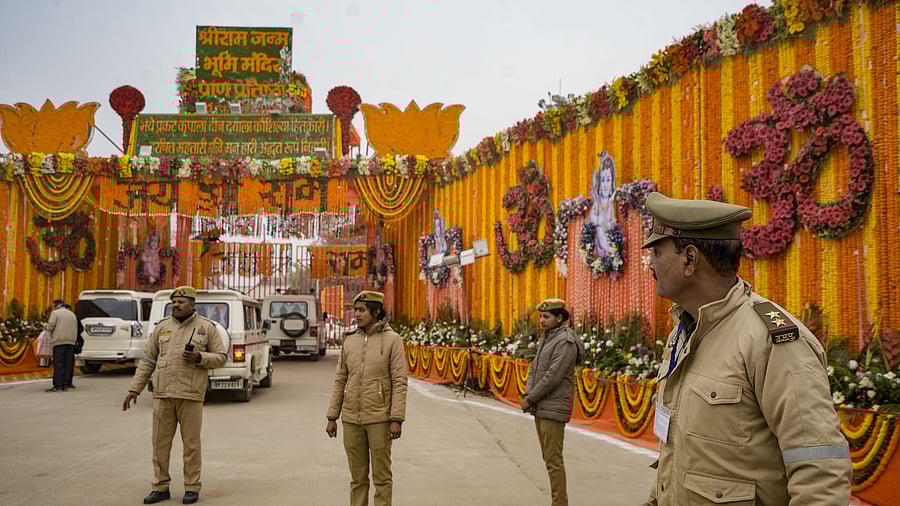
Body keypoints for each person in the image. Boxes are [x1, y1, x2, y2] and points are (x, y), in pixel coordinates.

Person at [639, 192, 851, 506]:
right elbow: (677, 453)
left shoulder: (772, 341)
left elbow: (820, 472)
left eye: (656, 252)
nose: (650, 264)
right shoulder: (685, 331)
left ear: (689, 259)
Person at [122, 286, 228, 505]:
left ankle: (192, 487)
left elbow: (221, 357)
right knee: (160, 444)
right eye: (174, 302)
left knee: (191, 445)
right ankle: (160, 487)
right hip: (163, 394)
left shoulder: (206, 328)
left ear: (192, 304)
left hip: (190, 394)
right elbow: (148, 361)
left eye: (181, 302)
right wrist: (135, 388)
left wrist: (200, 357)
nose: (176, 305)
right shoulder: (161, 328)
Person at [326, 291, 407, 506]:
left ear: (375, 311)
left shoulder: (392, 340)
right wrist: (332, 416)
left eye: (361, 310)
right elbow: (340, 380)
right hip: (351, 421)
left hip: (380, 420)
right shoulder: (350, 342)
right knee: (357, 479)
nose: (357, 314)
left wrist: (396, 419)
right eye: (356, 309)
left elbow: (399, 381)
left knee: (382, 478)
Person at [521, 298, 585, 506]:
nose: (542, 320)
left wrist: (531, 398)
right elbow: (534, 368)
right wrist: (528, 393)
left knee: (553, 461)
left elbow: (552, 376)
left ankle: (560, 503)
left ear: (560, 318)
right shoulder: (548, 337)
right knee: (549, 459)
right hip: (541, 405)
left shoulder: (566, 341)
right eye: (541, 316)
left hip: (553, 407)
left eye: (546, 316)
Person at [45, 298, 78, 392]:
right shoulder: (72, 314)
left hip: (59, 341)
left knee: (59, 363)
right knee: (68, 363)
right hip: (71, 341)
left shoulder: (55, 313)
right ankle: (67, 384)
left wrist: (46, 327)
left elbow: (50, 326)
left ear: (56, 306)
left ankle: (58, 386)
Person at [588, 152, 618, 256]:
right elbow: (592, 219)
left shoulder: (611, 202)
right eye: (603, 180)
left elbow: (613, 222)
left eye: (608, 180)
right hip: (600, 241)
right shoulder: (597, 202)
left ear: (612, 182)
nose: (605, 184)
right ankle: (608, 249)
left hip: (609, 237)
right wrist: (599, 221)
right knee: (600, 230)